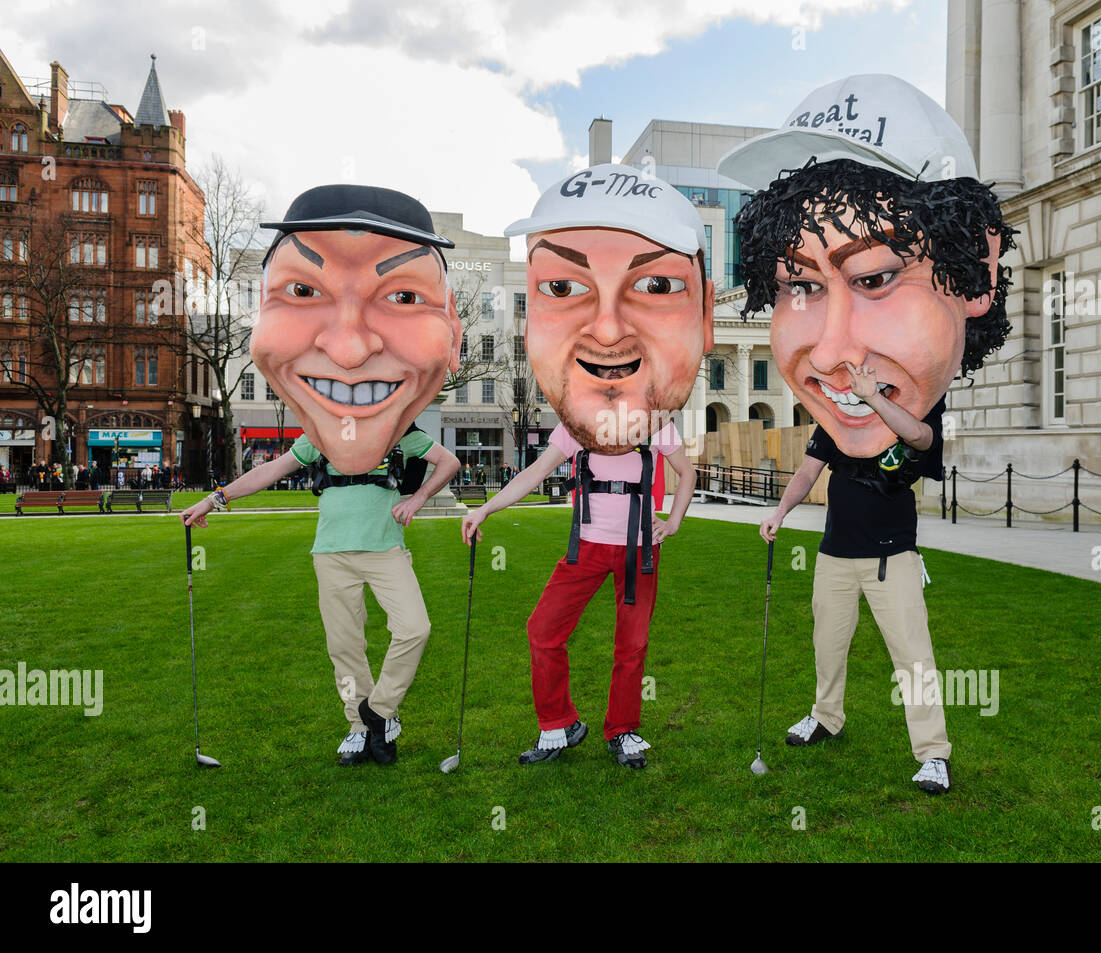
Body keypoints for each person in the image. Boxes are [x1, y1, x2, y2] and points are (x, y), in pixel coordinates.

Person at [723, 74, 1016, 795]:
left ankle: (933, 751)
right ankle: (826, 715)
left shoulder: (917, 403)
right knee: (828, 645)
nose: (829, 351)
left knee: (912, 655)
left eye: (878, 276)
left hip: (892, 556)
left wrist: (870, 398)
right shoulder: (833, 422)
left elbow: (917, 441)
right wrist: (781, 512)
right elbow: (809, 465)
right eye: (803, 284)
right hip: (834, 554)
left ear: (975, 274)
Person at [183, 183, 464, 767]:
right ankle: (359, 728)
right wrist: (216, 499)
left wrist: (415, 503)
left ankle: (380, 713)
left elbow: (449, 461)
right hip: (331, 551)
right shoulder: (319, 439)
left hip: (386, 549)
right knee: (346, 650)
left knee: (414, 629)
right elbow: (272, 470)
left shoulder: (396, 431)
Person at [463, 163, 713, 770]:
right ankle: (558, 725)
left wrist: (673, 522)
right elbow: (531, 473)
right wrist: (488, 507)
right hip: (584, 550)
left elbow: (688, 476)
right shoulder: (574, 429)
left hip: (636, 550)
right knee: (543, 632)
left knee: (632, 647)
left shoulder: (657, 425)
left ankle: (622, 730)